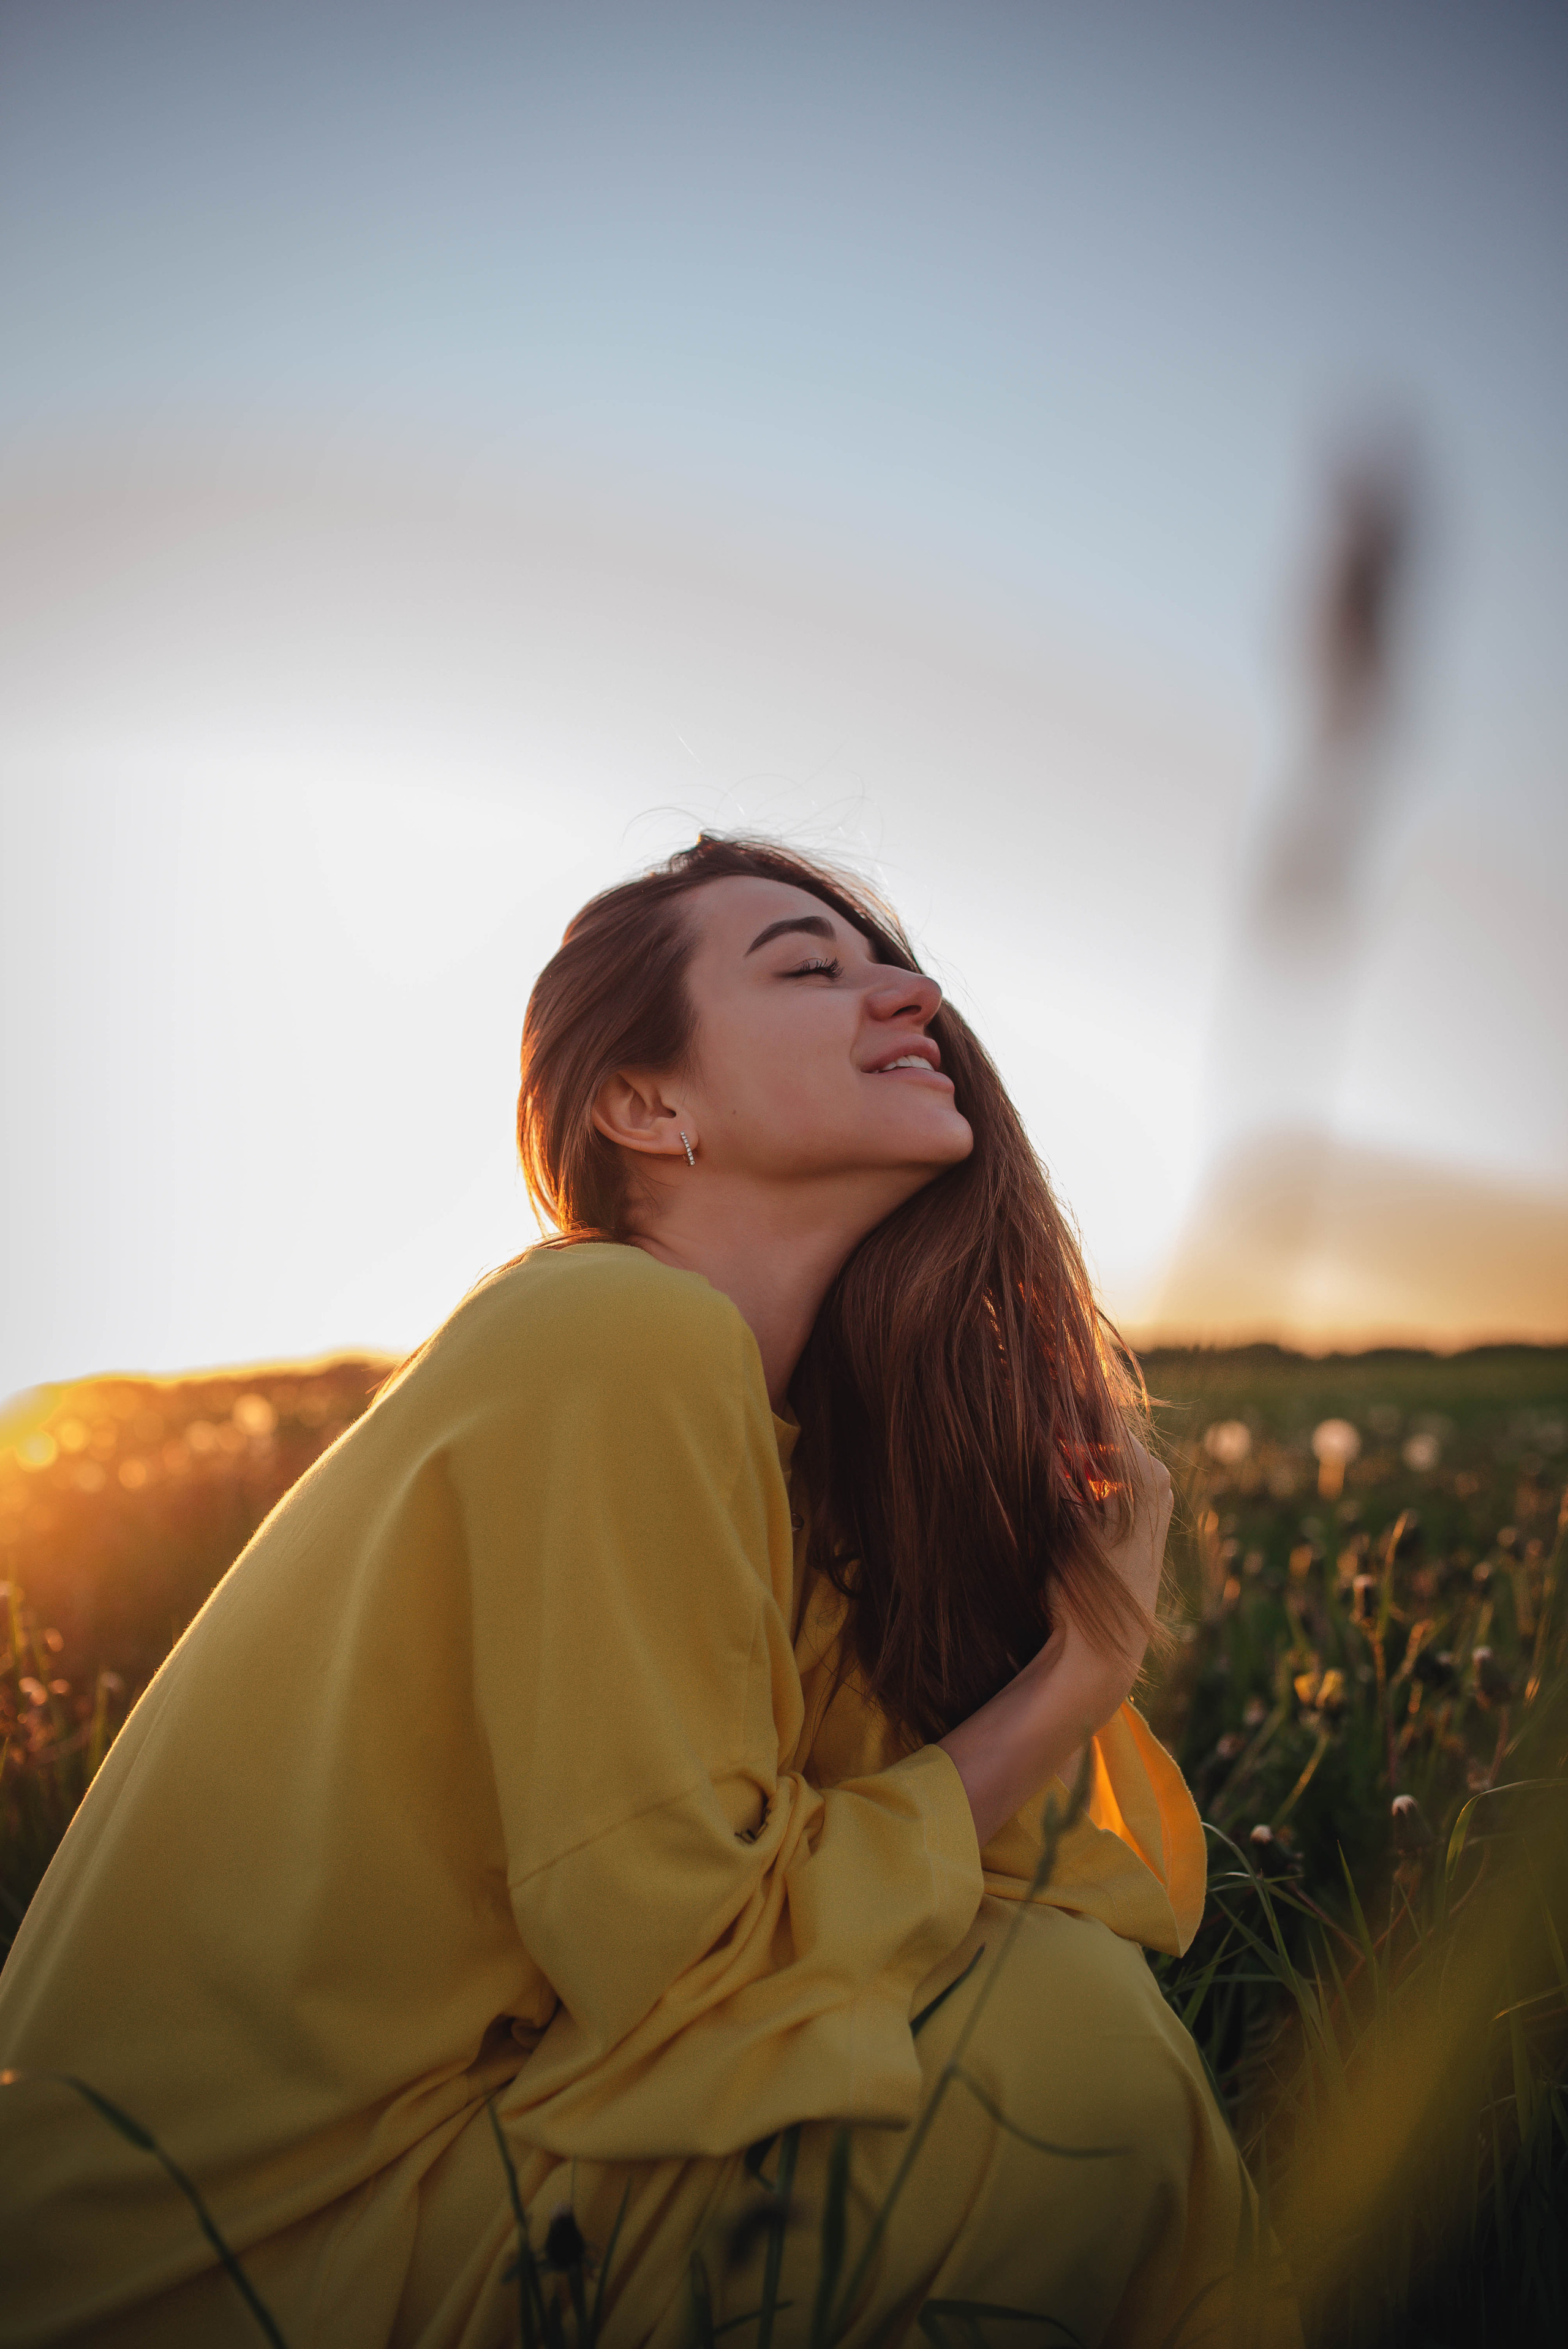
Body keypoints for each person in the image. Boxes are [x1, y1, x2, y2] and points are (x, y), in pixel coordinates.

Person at [0, 836, 1294, 2347]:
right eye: (808, 969)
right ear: (644, 1105)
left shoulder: (785, 1459)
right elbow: (697, 1968)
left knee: (1050, 2007)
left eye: (891, 967)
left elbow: (979, 1894)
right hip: (225, 2254)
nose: (914, 997)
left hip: (411, 2166)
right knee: (1053, 2051)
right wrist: (1077, 1674)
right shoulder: (614, 1332)